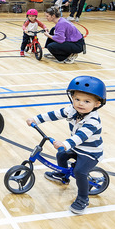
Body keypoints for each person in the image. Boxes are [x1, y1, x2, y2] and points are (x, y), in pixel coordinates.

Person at [26, 76, 106, 214]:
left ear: (97, 104)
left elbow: (80, 136)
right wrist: (36, 119)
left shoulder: (93, 121)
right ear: (72, 98)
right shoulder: (72, 110)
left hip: (90, 153)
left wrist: (65, 143)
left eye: (87, 101)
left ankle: (83, 198)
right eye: (77, 99)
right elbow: (54, 114)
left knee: (79, 172)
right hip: (77, 148)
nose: (81, 104)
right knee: (61, 154)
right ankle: (62, 176)